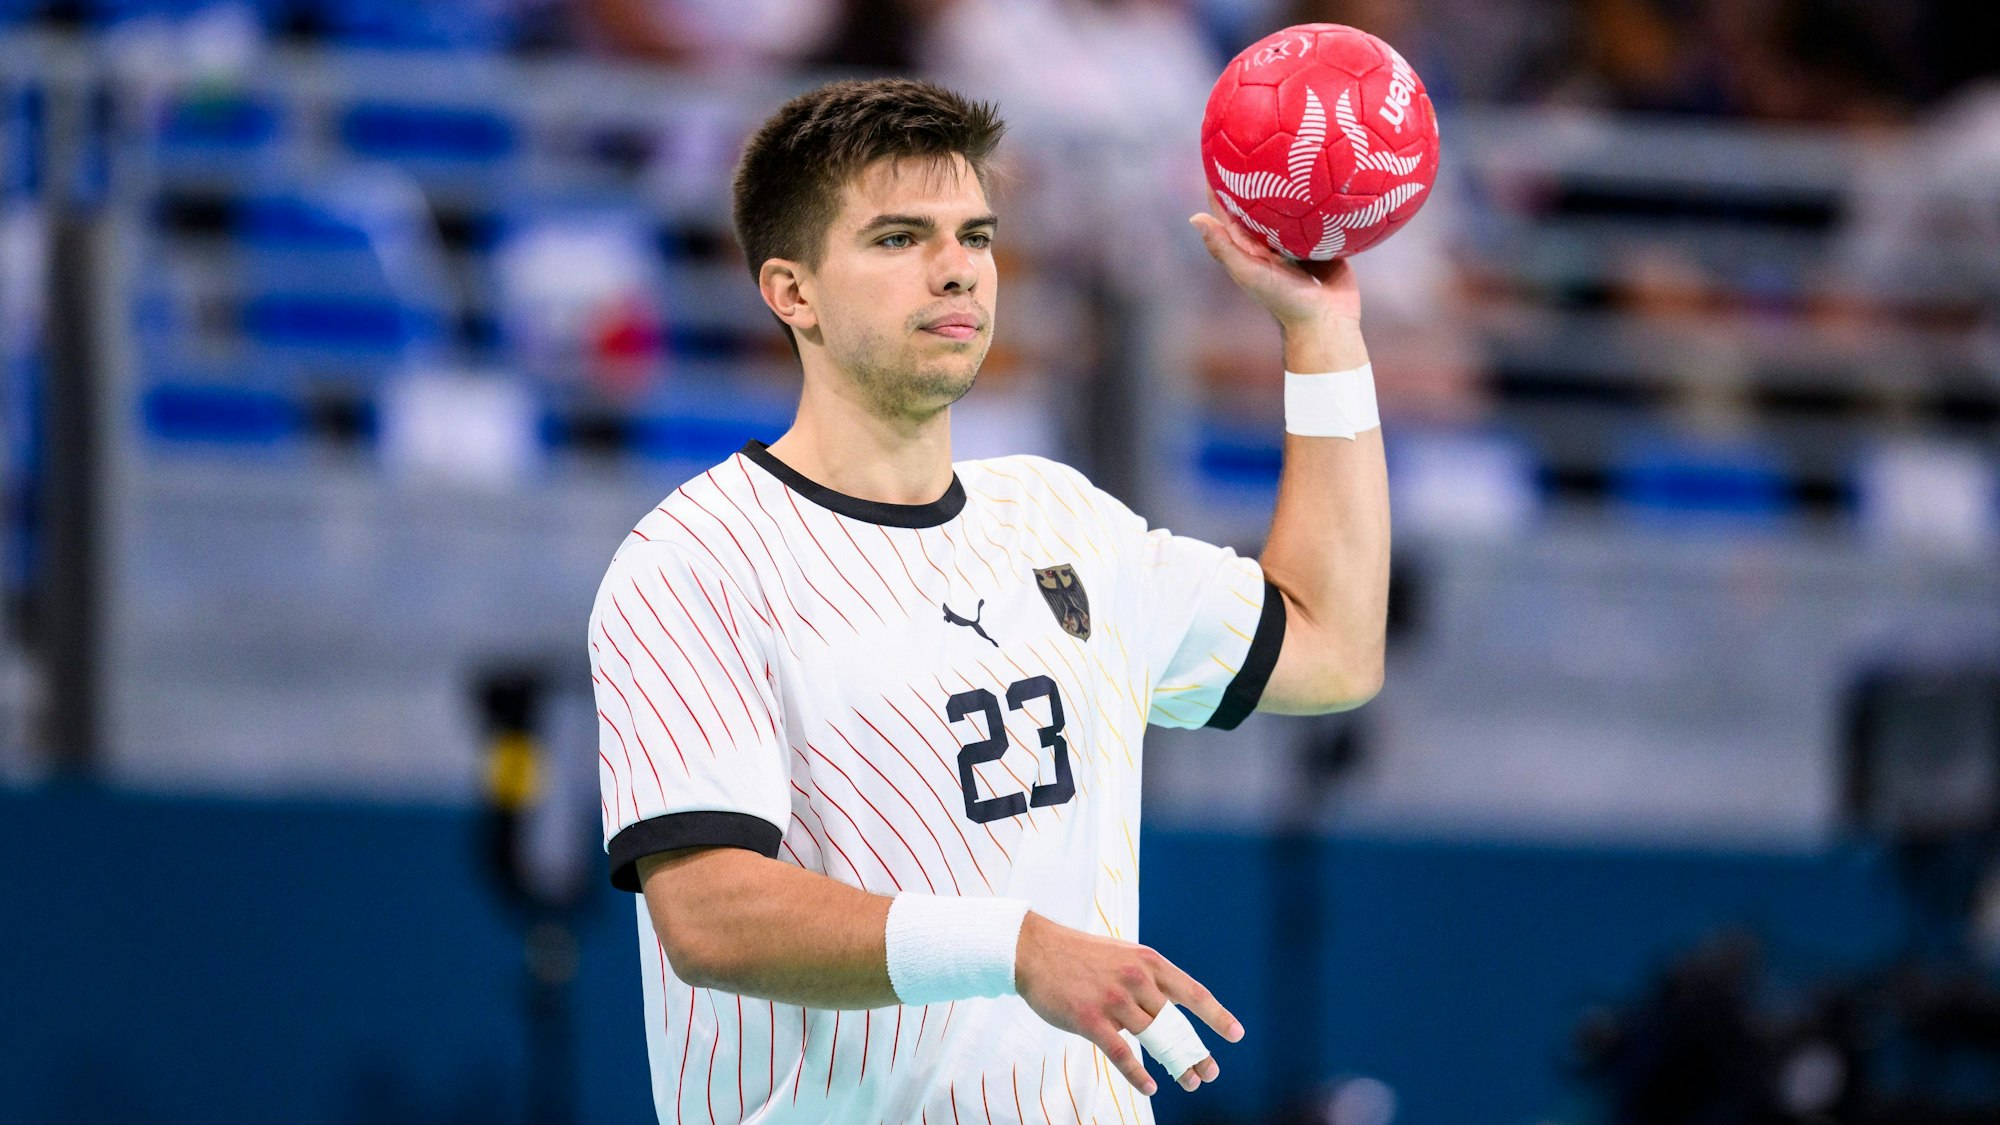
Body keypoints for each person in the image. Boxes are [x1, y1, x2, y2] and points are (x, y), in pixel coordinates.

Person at [586, 77, 1389, 1122]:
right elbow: (708, 913)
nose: (956, 266)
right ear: (791, 291)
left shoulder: (1062, 518)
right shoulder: (696, 561)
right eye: (896, 239)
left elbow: (1330, 651)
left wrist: (1319, 337)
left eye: (974, 233)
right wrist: (1012, 947)